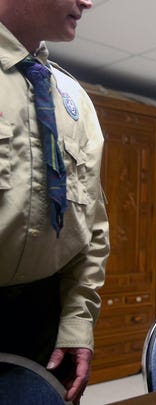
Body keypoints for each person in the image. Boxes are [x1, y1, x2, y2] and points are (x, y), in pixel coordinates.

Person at [0, 1, 110, 403]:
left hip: (45, 327)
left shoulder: (73, 98)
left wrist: (78, 323)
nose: (87, 1)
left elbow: (91, 226)